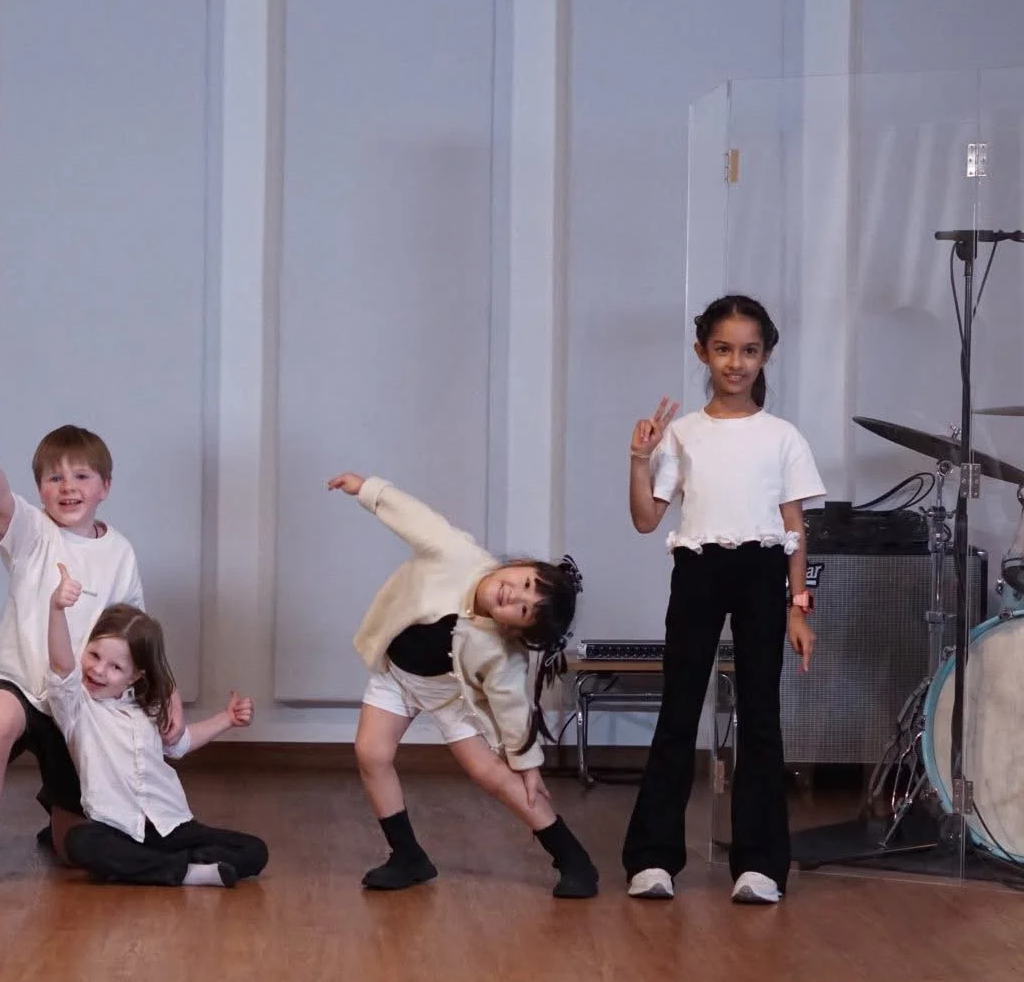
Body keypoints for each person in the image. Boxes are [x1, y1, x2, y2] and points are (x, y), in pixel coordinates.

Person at [623, 293, 824, 905]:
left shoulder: (782, 436)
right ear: (702, 352)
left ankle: (760, 865)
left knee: (761, 713)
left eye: (749, 351)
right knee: (679, 708)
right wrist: (639, 458)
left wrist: (798, 605)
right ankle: (654, 859)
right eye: (723, 349)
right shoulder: (682, 434)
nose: (735, 363)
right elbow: (645, 519)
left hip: (763, 570)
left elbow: (794, 527)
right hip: (698, 568)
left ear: (765, 356)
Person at [0, 394, 183, 894]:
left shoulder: (120, 552)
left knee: (77, 842)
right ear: (40, 490)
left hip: (79, 700)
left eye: (81, 477)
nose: (67, 487)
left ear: (105, 488)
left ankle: (59, 818)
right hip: (17, 680)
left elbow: (137, 631)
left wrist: (170, 689)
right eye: (55, 478)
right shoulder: (32, 531)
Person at [326, 472, 598, 897]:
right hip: (396, 672)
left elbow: (511, 708)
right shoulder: (458, 554)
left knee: (491, 774)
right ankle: (408, 856)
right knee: (370, 752)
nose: (515, 596)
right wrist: (368, 490)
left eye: (525, 610)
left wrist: (526, 764)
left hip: (451, 693)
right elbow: (416, 517)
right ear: (517, 565)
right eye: (525, 583)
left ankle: (571, 857)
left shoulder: (502, 651)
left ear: (518, 630)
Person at [43, 568, 268, 887]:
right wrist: (57, 609)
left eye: (116, 667)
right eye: (94, 655)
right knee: (80, 843)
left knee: (254, 850)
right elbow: (62, 667)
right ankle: (185, 872)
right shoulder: (78, 707)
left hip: (171, 823)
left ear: (135, 676)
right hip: (117, 826)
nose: (98, 670)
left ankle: (160, 866)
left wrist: (227, 720)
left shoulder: (145, 709)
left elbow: (180, 744)